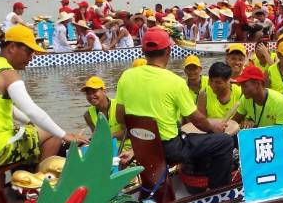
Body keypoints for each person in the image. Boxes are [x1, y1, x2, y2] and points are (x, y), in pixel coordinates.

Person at [115, 29, 234, 191]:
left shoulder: (126, 76)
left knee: (194, 140)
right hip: (170, 149)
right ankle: (219, 191)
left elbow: (120, 117)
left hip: (142, 146)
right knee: (224, 142)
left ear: (143, 52)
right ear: (169, 51)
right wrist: (216, 129)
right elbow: (198, 121)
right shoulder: (175, 82)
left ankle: (191, 181)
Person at [0, 25, 84, 165]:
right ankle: (39, 181)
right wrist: (65, 135)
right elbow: (32, 110)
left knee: (36, 129)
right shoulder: (8, 74)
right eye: (29, 52)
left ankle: (22, 175)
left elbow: (7, 108)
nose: (31, 58)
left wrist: (28, 121)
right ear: (12, 47)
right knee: (52, 133)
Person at [81, 76, 127, 147]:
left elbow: (128, 133)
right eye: (88, 93)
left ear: (104, 91)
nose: (91, 96)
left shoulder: (119, 107)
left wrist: (108, 136)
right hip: (106, 149)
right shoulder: (88, 115)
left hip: (126, 148)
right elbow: (97, 138)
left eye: (94, 91)